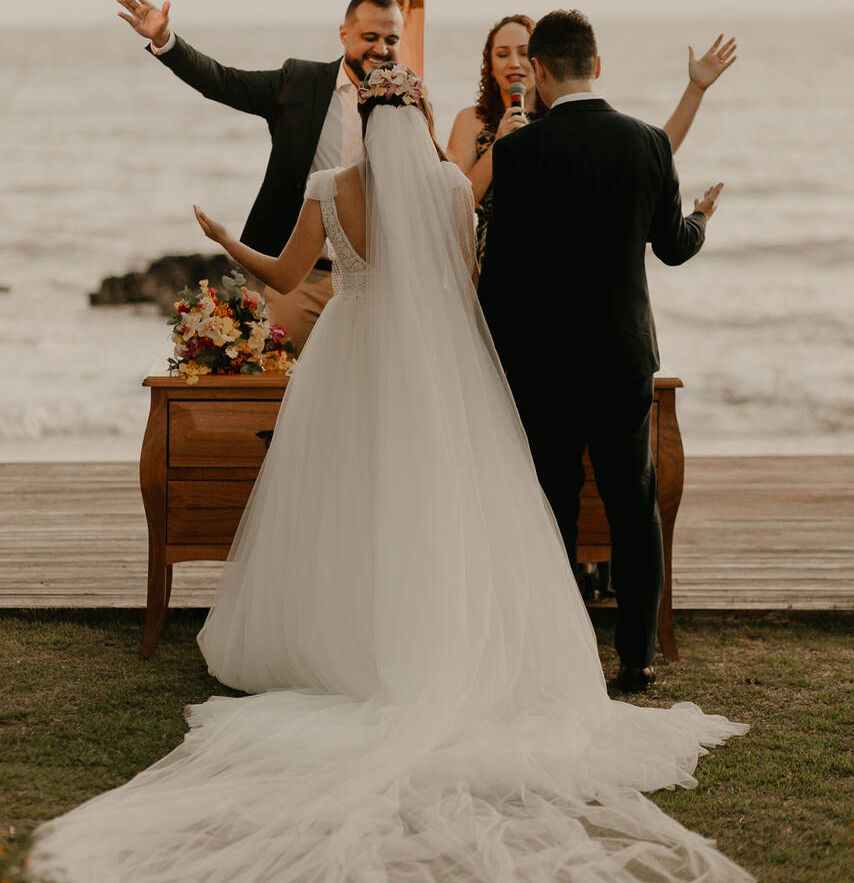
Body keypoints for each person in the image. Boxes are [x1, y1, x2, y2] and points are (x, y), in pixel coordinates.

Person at [31, 64, 751, 883]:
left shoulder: (329, 186)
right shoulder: (451, 188)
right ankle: (439, 640)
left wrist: (226, 240)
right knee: (435, 498)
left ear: (363, 118)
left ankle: (351, 646)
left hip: (351, 353)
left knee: (347, 503)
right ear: (420, 113)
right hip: (437, 363)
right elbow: (470, 286)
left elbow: (283, 276)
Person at [479, 8, 724, 694]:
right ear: (597, 64)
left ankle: (559, 654)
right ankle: (637, 657)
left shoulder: (519, 152)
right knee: (631, 501)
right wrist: (702, 217)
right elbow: (673, 246)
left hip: (543, 363)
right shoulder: (648, 143)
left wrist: (494, 356)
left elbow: (501, 278)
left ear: (540, 71)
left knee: (552, 502)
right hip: (622, 357)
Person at [115, 0, 404, 351]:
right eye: (370, 37)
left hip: (378, 285)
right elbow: (223, 81)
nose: (381, 48)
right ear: (344, 34)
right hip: (302, 282)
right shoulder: (299, 83)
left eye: (391, 39)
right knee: (292, 395)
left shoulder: (407, 104)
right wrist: (165, 41)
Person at [448, 13, 736, 263]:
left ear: (540, 63)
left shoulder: (567, 119)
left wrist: (695, 90)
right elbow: (457, 203)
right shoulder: (471, 120)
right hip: (491, 259)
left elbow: (650, 153)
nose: (513, 63)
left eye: (523, 52)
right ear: (489, 63)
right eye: (502, 54)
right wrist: (499, 143)